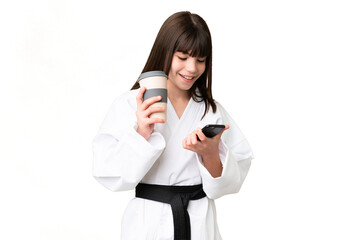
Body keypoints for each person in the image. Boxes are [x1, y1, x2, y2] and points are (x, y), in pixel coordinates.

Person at [93, 11, 254, 240]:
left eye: (200, 60)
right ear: (165, 52)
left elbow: (227, 185)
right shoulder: (131, 104)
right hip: (148, 224)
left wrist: (210, 154)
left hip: (199, 224)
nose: (191, 69)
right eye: (183, 57)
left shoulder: (212, 111)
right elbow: (107, 173)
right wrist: (141, 133)